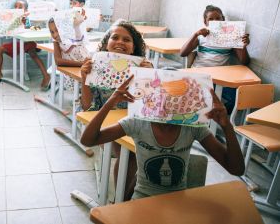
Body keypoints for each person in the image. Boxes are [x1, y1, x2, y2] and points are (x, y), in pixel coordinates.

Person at [80, 80, 245, 200]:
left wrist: (227, 127)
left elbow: (236, 169)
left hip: (178, 198)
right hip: (142, 196)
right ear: (152, 99)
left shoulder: (193, 127)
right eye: (162, 96)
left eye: (176, 99)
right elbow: (88, 140)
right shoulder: (138, 122)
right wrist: (110, 103)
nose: (169, 103)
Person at [80, 21, 153, 200]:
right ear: (106, 43)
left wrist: (151, 77)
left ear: (134, 48)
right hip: (110, 123)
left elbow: (151, 104)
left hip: (138, 121)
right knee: (129, 156)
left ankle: (127, 198)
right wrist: (85, 78)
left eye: (127, 39)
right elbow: (87, 107)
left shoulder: (142, 68)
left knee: (145, 154)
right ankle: (121, 201)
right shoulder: (96, 67)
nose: (120, 42)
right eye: (115, 37)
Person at [180, 5, 250, 112]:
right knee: (199, 96)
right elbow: (183, 53)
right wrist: (195, 34)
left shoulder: (231, 37)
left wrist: (243, 46)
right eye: (211, 19)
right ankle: (207, 114)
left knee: (237, 98)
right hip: (200, 75)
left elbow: (245, 62)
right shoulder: (201, 37)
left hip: (219, 78)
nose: (215, 21)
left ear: (223, 20)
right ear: (205, 22)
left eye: (218, 18)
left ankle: (215, 116)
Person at [0, 0, 51, 90]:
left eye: (20, 7)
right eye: (16, 6)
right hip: (19, 43)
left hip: (28, 42)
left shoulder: (26, 19)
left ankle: (46, 76)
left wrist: (23, 21)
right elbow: (6, 29)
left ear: (25, 10)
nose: (17, 9)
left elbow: (28, 30)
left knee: (32, 52)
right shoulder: (10, 18)